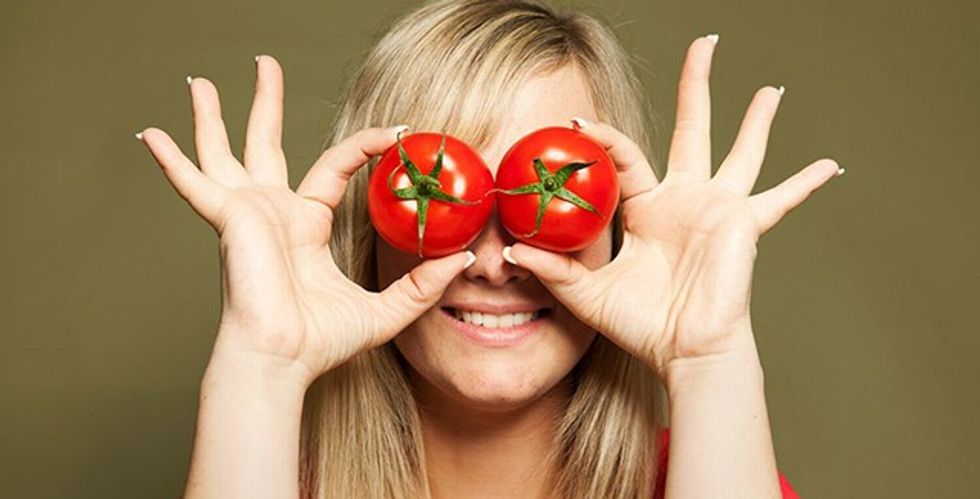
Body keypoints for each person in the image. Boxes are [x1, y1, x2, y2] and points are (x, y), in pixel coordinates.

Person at [136, 0, 838, 497]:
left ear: (620, 227)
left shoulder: (716, 472)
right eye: (436, 196)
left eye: (547, 197)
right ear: (370, 230)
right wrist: (261, 367)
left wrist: (707, 361)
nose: (492, 262)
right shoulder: (259, 473)